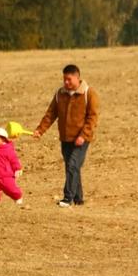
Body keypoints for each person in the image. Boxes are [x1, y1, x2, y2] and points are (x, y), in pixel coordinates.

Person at [33, 64, 99, 207]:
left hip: (81, 139)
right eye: (64, 79)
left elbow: (93, 117)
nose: (66, 82)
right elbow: (50, 114)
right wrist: (40, 130)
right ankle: (78, 198)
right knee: (72, 167)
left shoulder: (89, 93)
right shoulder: (59, 94)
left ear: (77, 77)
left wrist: (84, 135)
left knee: (73, 166)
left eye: (69, 79)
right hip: (65, 139)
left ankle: (67, 198)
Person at [0, 126, 24, 207]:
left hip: (6, 176)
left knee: (11, 189)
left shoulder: (8, 150)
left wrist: (17, 169)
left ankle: (18, 197)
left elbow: (14, 160)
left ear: (3, 139)